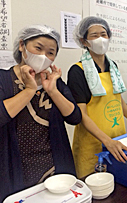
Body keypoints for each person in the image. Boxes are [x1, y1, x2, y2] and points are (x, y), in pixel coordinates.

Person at [0, 25, 82, 202]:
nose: (44, 56)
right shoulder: (3, 80)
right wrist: (29, 90)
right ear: (22, 45)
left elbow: (75, 117)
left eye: (50, 52)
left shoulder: (55, 82)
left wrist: (52, 90)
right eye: (38, 48)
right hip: (14, 169)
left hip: (53, 168)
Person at [67, 16, 127, 178]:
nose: (100, 38)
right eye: (94, 35)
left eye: (104, 34)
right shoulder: (77, 71)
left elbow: (117, 100)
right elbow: (81, 114)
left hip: (118, 138)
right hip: (92, 143)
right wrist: (106, 141)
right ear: (84, 41)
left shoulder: (113, 66)